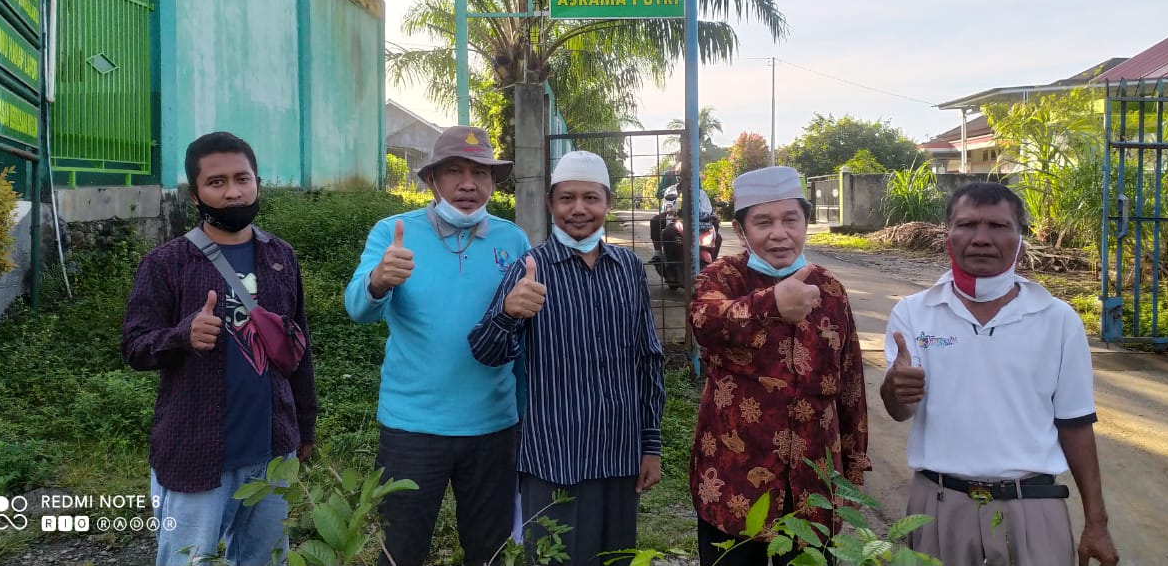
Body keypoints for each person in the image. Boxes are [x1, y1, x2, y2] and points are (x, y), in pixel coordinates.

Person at [880, 181, 1119, 566]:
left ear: (1021, 239)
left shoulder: (1057, 320)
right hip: (939, 505)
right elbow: (899, 409)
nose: (981, 238)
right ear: (948, 236)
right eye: (967, 224)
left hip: (1032, 509)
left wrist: (1097, 521)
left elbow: (1075, 425)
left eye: (998, 226)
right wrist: (895, 388)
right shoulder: (913, 313)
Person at [122, 131, 317, 566]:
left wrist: (305, 424)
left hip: (272, 449)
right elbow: (134, 345)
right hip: (195, 451)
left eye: (242, 179)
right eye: (216, 183)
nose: (233, 192)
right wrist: (182, 336)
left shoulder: (279, 256)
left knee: (264, 559)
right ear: (195, 195)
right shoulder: (166, 264)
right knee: (189, 560)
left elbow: (298, 346)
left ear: (257, 183)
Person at [345, 126, 531, 566]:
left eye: (481, 172)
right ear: (432, 180)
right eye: (454, 171)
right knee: (401, 549)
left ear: (493, 181)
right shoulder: (394, 233)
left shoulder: (514, 240)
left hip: (493, 425)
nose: (468, 184)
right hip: (412, 426)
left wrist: (523, 415)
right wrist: (378, 280)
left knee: (489, 549)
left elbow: (521, 341)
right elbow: (358, 309)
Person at [469, 150, 665, 565]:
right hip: (554, 454)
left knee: (616, 558)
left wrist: (651, 445)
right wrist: (508, 313)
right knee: (554, 558)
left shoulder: (628, 267)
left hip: (620, 450)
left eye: (591, 198)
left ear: (608, 203)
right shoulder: (530, 268)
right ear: (550, 204)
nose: (579, 209)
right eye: (566, 198)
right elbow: (485, 352)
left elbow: (648, 357)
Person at [688, 165, 869, 565]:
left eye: (791, 219)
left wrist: (853, 463)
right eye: (763, 222)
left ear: (806, 222)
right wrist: (770, 304)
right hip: (734, 482)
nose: (779, 233)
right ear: (741, 230)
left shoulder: (831, 289)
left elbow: (851, 380)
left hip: (813, 484)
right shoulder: (722, 278)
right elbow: (704, 321)